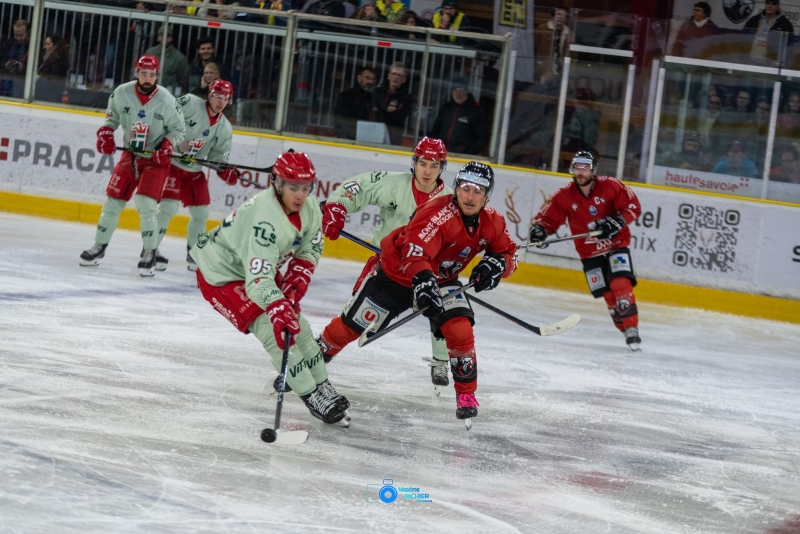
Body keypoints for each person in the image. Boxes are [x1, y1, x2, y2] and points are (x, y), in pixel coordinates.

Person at [319, 161, 518, 426]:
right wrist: (423, 280)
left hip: (442, 279)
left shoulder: (493, 221)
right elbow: (414, 250)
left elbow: (510, 254)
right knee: (352, 326)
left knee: (460, 329)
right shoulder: (437, 212)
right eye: (465, 188)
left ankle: (466, 395)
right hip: (398, 275)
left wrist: (498, 265)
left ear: (487, 195)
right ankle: (308, 367)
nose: (470, 196)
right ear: (457, 188)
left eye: (478, 190)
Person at [191, 152, 351, 426]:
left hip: (256, 268)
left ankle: (322, 385)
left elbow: (312, 245)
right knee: (273, 330)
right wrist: (277, 306)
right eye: (293, 187)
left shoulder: (310, 207)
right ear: (277, 183)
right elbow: (258, 280)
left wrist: (298, 275)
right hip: (221, 274)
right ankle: (311, 395)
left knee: (300, 327)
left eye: (306, 187)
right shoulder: (264, 220)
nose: (300, 195)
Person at [315, 137, 454, 390]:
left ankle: (441, 360)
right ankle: (318, 356)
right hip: (387, 268)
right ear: (414, 162)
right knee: (356, 317)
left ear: (442, 168)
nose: (427, 171)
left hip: (425, 271)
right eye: (423, 163)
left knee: (445, 307)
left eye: (434, 166)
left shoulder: (450, 201)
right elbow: (356, 186)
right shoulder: (393, 184)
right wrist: (338, 206)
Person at [79, 56, 186, 276]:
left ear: (157, 76)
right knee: (112, 203)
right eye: (143, 73)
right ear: (137, 73)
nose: (147, 79)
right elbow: (112, 117)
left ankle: (149, 252)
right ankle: (99, 246)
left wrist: (167, 145)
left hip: (156, 160)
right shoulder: (121, 93)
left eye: (152, 75)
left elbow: (179, 130)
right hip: (130, 154)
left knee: (146, 205)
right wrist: (106, 133)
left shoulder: (167, 100)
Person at [529, 151, 643, 351]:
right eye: (577, 167)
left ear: (593, 170)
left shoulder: (611, 186)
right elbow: (548, 218)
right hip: (588, 251)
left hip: (616, 244)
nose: (581, 172)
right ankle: (623, 328)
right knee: (608, 294)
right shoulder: (564, 195)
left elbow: (633, 207)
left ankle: (632, 328)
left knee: (620, 283)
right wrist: (540, 229)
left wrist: (618, 221)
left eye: (585, 167)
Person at [155, 79, 238, 272]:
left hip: (194, 171)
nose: (221, 101)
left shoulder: (224, 127)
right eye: (217, 96)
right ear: (209, 95)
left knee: (201, 213)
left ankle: (194, 253)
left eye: (225, 98)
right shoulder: (191, 103)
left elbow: (218, 157)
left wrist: (225, 170)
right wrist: (169, 141)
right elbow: (167, 114)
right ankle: (150, 249)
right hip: (173, 165)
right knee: (168, 208)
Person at [428, 76, 488, 155]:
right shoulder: (446, 108)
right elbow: (435, 131)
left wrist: (469, 154)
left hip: (461, 157)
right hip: (440, 154)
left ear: (467, 92)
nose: (458, 94)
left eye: (462, 90)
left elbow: (482, 137)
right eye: (455, 90)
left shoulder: (476, 111)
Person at [372, 62, 411, 145]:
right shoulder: (377, 92)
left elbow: (399, 117)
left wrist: (381, 109)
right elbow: (373, 110)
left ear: (404, 79)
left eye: (399, 75)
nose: (396, 77)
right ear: (388, 76)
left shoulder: (406, 97)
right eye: (394, 74)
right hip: (374, 131)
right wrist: (386, 108)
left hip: (393, 135)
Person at [144, 25, 190, 95]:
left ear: (171, 38)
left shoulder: (180, 58)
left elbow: (184, 82)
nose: (164, 38)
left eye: (167, 36)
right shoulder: (150, 53)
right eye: (162, 35)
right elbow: (142, 72)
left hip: (169, 95)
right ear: (158, 38)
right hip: (149, 92)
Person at [333, 66, 376, 139]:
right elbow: (340, 121)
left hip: (368, 139)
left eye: (372, 79)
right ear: (359, 78)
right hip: (349, 140)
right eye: (367, 78)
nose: (370, 82)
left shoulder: (373, 98)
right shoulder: (347, 96)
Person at [533, 6, 572, 84]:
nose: (561, 18)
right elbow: (533, 46)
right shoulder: (542, 28)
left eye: (563, 16)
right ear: (553, 16)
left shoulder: (569, 33)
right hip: (543, 69)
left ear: (566, 19)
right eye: (558, 14)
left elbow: (573, 55)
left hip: (560, 71)